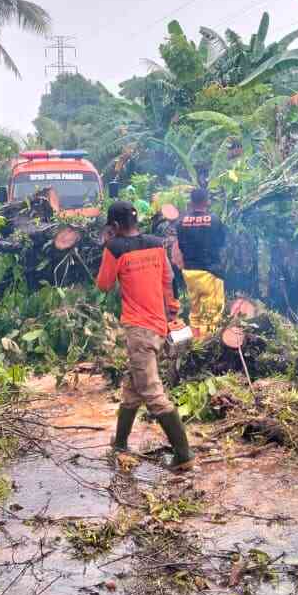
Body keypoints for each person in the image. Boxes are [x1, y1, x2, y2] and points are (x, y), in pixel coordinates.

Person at [96, 201, 193, 469]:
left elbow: (104, 285)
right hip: (159, 325)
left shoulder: (114, 248)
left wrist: (107, 246)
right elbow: (167, 280)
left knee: (152, 392)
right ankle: (119, 445)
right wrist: (172, 310)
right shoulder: (156, 243)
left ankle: (184, 456)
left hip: (139, 330)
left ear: (114, 226)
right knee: (132, 386)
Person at [176, 188, 227, 338]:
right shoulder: (215, 220)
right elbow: (221, 242)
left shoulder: (181, 222)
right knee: (211, 316)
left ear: (191, 202)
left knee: (195, 313)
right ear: (207, 201)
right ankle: (207, 349)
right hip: (210, 272)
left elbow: (181, 245)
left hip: (190, 272)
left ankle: (195, 347)